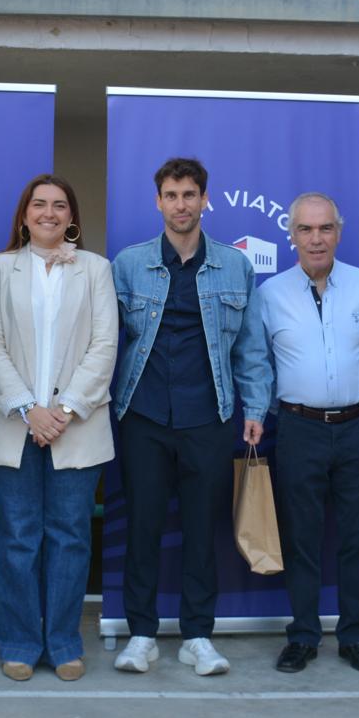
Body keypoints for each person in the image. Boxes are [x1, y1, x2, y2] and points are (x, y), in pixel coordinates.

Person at [110, 156, 271, 677]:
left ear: (205, 200)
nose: (181, 204)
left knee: (203, 531)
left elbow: (249, 348)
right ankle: (141, 636)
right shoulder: (129, 264)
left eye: (189, 195)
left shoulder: (234, 266)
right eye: (171, 195)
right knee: (143, 528)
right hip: (144, 416)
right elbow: (106, 343)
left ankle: (198, 636)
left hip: (211, 416)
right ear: (158, 202)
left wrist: (255, 406)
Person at [0, 175, 117, 683]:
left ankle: (62, 643)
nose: (49, 213)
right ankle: (17, 641)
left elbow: (105, 345)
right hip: (11, 427)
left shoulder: (96, 269)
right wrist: (29, 409)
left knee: (70, 538)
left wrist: (66, 410)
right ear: (24, 214)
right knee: (17, 539)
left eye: (60, 205)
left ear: (71, 215)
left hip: (77, 428)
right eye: (39, 204)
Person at [256, 193, 359, 675]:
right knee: (301, 537)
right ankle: (305, 636)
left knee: (358, 537)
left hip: (358, 427)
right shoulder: (270, 294)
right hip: (298, 428)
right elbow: (261, 364)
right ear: (291, 236)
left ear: (339, 231)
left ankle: (355, 636)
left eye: (326, 229)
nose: (316, 239)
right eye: (306, 230)